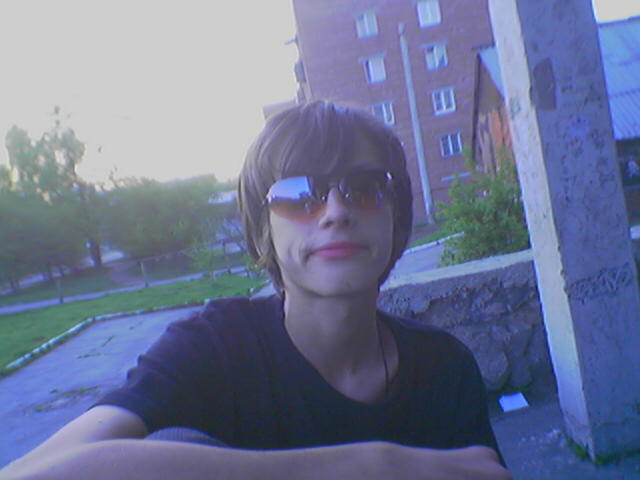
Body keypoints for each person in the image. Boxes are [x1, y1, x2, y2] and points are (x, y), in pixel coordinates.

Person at [0, 101, 510, 480]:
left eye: (365, 188)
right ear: (264, 228)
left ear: (396, 216)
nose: (335, 211)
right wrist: (373, 464)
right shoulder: (215, 349)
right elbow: (36, 473)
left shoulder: (443, 368)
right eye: (297, 194)